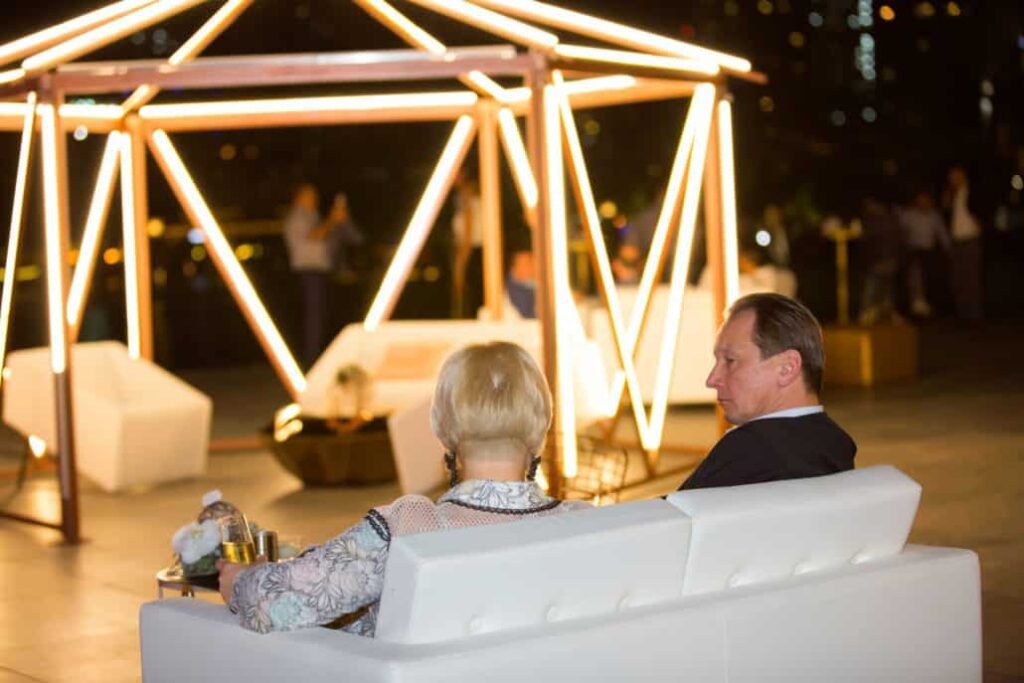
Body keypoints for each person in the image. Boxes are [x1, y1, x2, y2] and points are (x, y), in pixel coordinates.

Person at [217, 342, 588, 636]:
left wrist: (240, 581)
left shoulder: (410, 526)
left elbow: (272, 605)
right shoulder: (585, 524)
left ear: (442, 427)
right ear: (541, 429)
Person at [678, 293, 856, 490]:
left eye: (730, 361)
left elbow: (673, 510)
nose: (712, 380)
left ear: (787, 368)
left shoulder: (748, 451)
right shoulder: (835, 445)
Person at [284, 183, 362, 366]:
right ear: (299, 197)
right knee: (314, 320)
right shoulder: (298, 216)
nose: (315, 198)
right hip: (308, 273)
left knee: (321, 319)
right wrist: (332, 220)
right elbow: (314, 236)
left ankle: (319, 358)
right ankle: (312, 362)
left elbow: (350, 238)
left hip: (320, 272)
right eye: (310, 194)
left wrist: (340, 222)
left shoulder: (314, 216)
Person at [898, 189, 950, 318]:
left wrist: (948, 248)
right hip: (913, 250)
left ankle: (929, 305)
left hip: (929, 251)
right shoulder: (909, 215)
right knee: (914, 276)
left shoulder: (934, 216)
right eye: (920, 200)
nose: (923, 203)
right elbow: (900, 230)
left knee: (931, 277)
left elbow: (942, 233)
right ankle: (915, 304)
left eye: (925, 200)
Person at [943, 166, 984, 322]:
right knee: (957, 278)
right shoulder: (952, 194)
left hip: (970, 239)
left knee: (971, 278)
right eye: (951, 177)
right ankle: (961, 313)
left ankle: (973, 314)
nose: (953, 179)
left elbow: (983, 208)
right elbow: (946, 212)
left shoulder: (973, 191)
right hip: (956, 240)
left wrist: (980, 223)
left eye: (955, 176)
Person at [857, 196, 902, 326]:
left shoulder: (889, 220)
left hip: (886, 259)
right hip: (876, 260)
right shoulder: (871, 221)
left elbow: (894, 241)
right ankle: (868, 311)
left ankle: (884, 312)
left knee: (885, 287)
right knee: (874, 286)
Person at [451, 171, 484, 318]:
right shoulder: (477, 198)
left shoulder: (467, 200)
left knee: (474, 300)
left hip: (474, 253)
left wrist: (460, 265)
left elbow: (468, 235)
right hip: (478, 251)